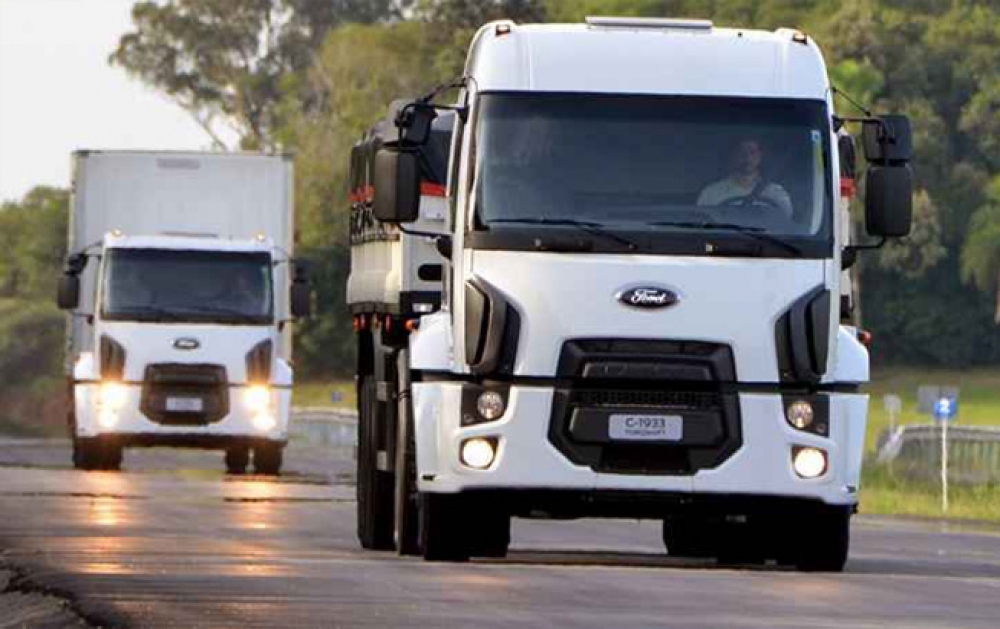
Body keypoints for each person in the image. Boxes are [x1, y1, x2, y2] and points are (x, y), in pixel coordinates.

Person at [697, 139, 793, 218]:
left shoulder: (776, 193)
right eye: (741, 152)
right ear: (733, 155)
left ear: (760, 156)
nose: (747, 157)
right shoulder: (711, 193)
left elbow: (784, 228)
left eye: (752, 152)